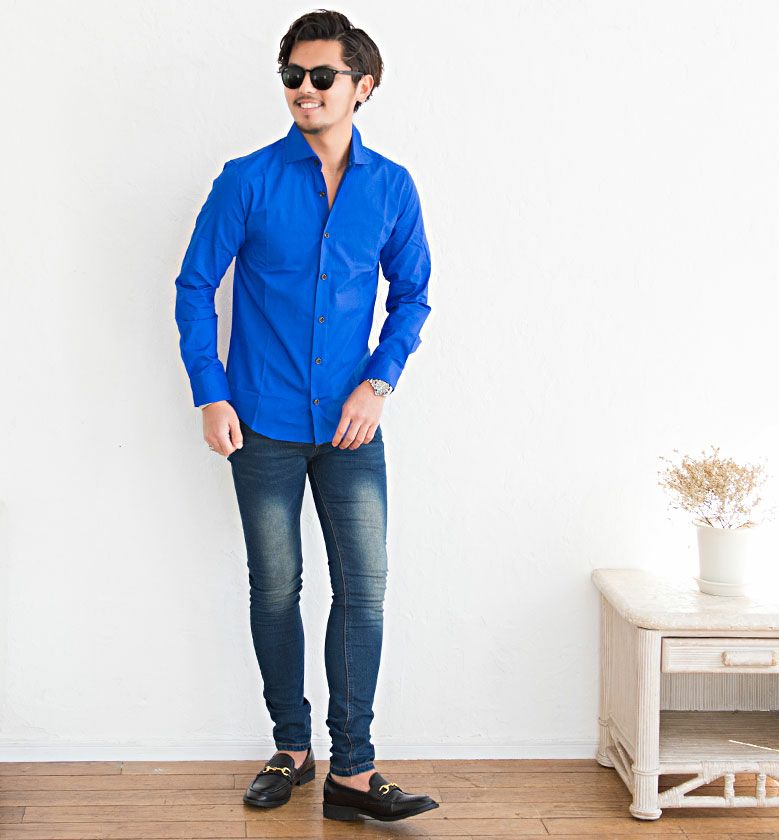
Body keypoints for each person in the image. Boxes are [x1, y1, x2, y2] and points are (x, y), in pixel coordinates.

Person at [173, 8, 437, 824]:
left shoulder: (390, 187)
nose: (305, 89)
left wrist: (379, 383)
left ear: (363, 86)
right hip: (261, 422)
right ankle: (291, 748)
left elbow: (413, 295)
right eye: (293, 75)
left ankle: (353, 771)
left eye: (322, 76)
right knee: (275, 588)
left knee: (364, 591)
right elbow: (194, 286)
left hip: (352, 429)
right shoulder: (246, 180)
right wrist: (211, 391)